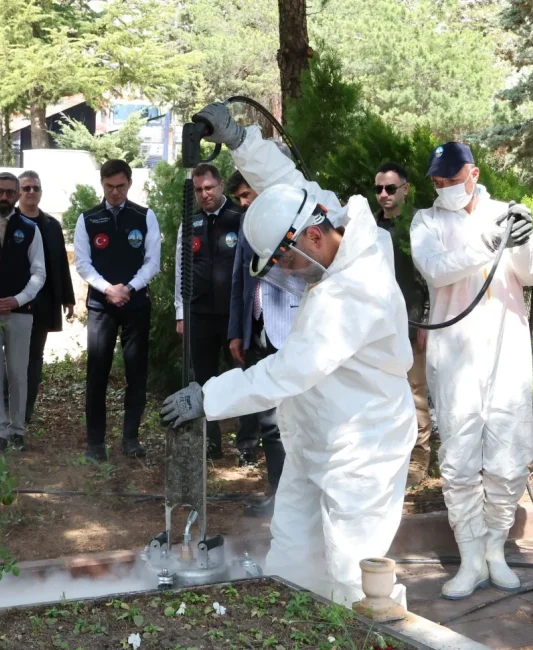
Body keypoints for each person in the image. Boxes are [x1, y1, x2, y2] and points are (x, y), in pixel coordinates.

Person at [161, 103, 416, 606]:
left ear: (313, 238)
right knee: (292, 560)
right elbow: (287, 184)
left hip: (362, 447)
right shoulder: (335, 224)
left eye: (288, 263)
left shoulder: (355, 291)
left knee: (352, 575)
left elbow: (288, 370)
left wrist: (209, 397)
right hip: (315, 435)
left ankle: (381, 636)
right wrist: (241, 140)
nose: (289, 275)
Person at [409, 142, 533, 599]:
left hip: (506, 353)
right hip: (454, 358)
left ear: (474, 173)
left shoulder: (505, 212)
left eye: (451, 179)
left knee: (509, 458)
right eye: (437, 181)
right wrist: (487, 242)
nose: (444, 187)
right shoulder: (426, 221)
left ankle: (494, 549)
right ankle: (469, 556)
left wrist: (523, 242)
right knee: (460, 461)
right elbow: (435, 269)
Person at [74, 159, 161, 462]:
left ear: (129, 183)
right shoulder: (88, 218)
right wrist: (108, 289)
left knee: (136, 371)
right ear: (102, 184)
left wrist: (129, 288)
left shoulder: (144, 216)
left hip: (135, 304)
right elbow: (83, 264)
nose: (115, 192)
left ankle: (131, 438)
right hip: (101, 305)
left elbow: (152, 261)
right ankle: (95, 442)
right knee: (97, 371)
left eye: (120, 186)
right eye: (109, 186)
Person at [224, 171, 291, 518]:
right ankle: (278, 493)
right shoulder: (246, 225)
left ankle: (296, 497)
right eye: (239, 198)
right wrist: (237, 331)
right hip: (257, 328)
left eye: (248, 194)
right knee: (267, 418)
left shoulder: (292, 216)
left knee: (291, 419)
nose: (244, 202)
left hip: (291, 331)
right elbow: (239, 279)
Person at [173, 163, 246, 460]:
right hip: (199, 312)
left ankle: (247, 445)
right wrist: (180, 312)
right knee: (204, 380)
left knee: (243, 378)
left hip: (234, 314)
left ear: (220, 186)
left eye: (209, 188)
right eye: (198, 190)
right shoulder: (190, 223)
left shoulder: (240, 217)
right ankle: (211, 443)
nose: (204, 194)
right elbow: (181, 269)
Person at [0, 172, 46, 454]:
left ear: (17, 195)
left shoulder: (30, 229)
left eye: (10, 192)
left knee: (18, 374)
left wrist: (18, 299)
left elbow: (39, 273)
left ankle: (17, 431)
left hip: (20, 312)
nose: (4, 197)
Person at [374, 162, 433, 487]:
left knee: (415, 393)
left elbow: (429, 278)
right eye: (378, 188)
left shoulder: (417, 227)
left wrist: (425, 321)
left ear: (405, 189)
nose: (384, 194)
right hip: (378, 328)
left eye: (390, 188)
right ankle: (387, 458)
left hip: (411, 324)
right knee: (381, 394)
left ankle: (419, 460)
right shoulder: (369, 228)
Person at [17, 170, 76, 426]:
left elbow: (61, 262)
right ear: (18, 192)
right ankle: (9, 407)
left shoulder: (51, 225)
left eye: (35, 188)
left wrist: (68, 298)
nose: (31, 192)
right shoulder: (9, 222)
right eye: (26, 188)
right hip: (14, 303)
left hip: (43, 302)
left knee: (34, 356)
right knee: (12, 356)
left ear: (41, 192)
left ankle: (26, 410)